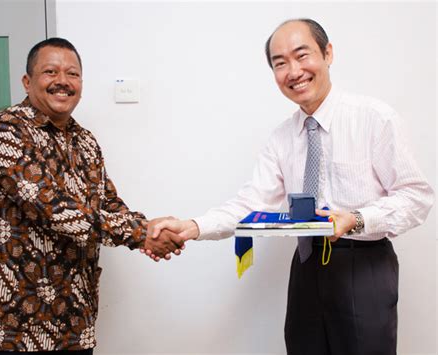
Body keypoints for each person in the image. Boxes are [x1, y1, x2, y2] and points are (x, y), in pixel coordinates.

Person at [149, 19, 434, 355]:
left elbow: (417, 196)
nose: (293, 71)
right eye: (280, 63)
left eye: (302, 56)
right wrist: (192, 227)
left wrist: (354, 219)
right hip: (306, 264)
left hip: (363, 265)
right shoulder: (283, 137)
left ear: (328, 53)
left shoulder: (374, 118)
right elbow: (251, 205)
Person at [0, 37, 183, 354]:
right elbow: (53, 209)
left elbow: (109, 205)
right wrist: (141, 234)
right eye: (50, 72)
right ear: (27, 82)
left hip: (75, 322)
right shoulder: (5, 130)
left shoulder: (86, 142)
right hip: (17, 324)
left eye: (73, 74)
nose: (63, 82)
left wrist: (149, 226)